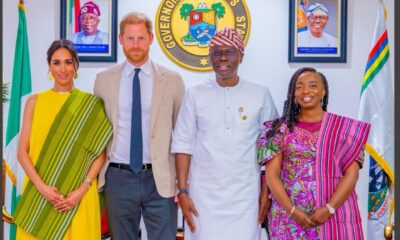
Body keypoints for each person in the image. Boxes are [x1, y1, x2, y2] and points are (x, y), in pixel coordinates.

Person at [172, 27, 278, 240]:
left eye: (229, 52)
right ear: (210, 57)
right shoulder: (195, 94)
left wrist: (267, 192)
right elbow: (183, 144)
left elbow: (272, 149)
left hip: (246, 196)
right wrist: (183, 192)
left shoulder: (260, 93)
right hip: (203, 195)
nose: (222, 58)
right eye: (216, 52)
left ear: (241, 56)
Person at [93, 12, 185, 240]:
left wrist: (183, 183)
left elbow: (183, 135)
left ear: (151, 38)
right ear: (121, 39)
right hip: (118, 177)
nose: (136, 44)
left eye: (141, 38)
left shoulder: (172, 80)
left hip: (160, 178)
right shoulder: (103, 80)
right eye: (130, 38)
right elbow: (95, 133)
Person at [13, 39, 112, 240]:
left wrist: (81, 190)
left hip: (79, 198)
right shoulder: (35, 102)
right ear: (49, 66)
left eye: (68, 62)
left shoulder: (91, 105)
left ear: (76, 65)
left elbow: (100, 156)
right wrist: (44, 190)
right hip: (41, 195)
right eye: (56, 62)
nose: (63, 68)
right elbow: (22, 153)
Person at [257, 67, 371, 239]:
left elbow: (352, 174)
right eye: (299, 86)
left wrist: (329, 208)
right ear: (293, 93)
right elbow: (272, 176)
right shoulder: (279, 130)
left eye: (312, 85)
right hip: (288, 217)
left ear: (323, 90)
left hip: (332, 214)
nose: (306, 91)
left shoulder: (344, 130)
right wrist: (293, 211)